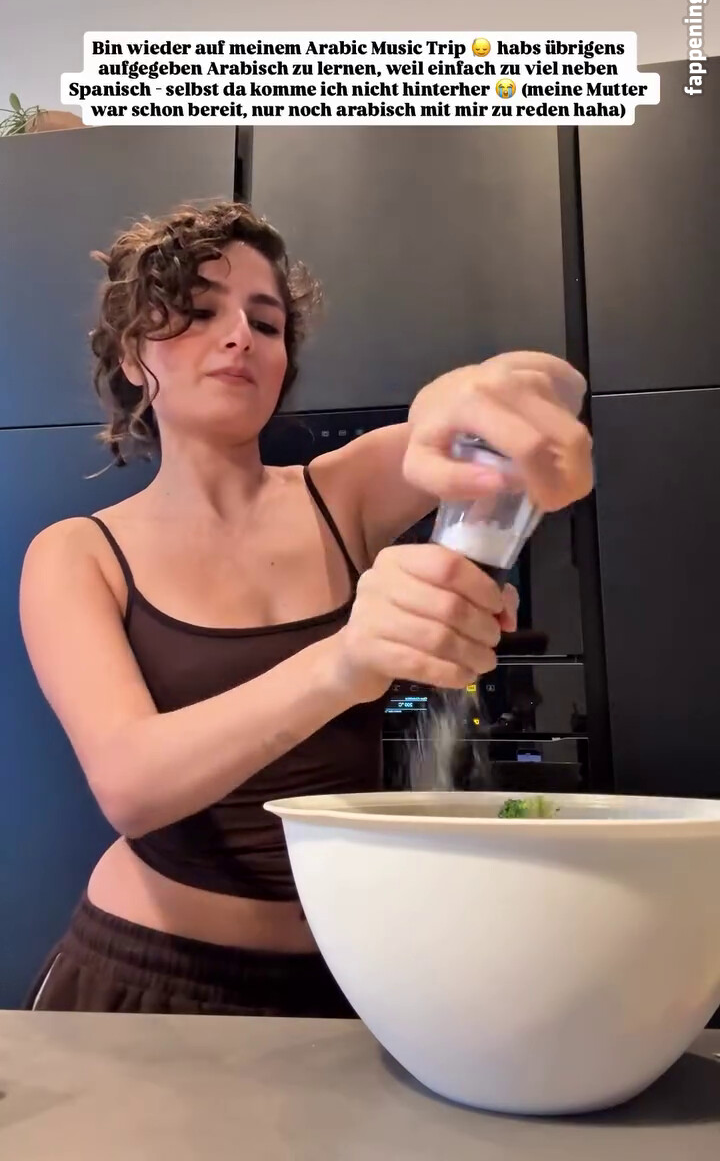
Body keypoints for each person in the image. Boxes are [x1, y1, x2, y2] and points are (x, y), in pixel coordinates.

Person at [19, 200, 593, 1016]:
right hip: (142, 976)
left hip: (347, 975)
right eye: (199, 312)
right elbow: (131, 785)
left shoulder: (342, 492)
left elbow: (534, 391)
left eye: (266, 322)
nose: (240, 337)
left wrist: (474, 397)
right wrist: (346, 660)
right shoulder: (78, 554)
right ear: (133, 354)